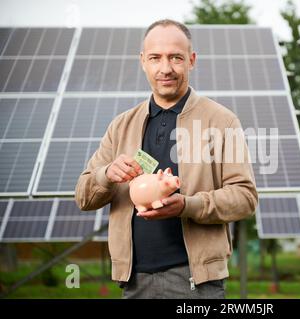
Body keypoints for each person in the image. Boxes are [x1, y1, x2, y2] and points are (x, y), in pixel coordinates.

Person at [75, 19, 258, 299]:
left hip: (197, 282)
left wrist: (187, 205)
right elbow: (84, 197)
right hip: (134, 281)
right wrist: (107, 174)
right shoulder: (121, 125)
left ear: (191, 60)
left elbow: (244, 198)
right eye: (155, 58)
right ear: (143, 62)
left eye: (176, 57)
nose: (166, 68)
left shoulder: (222, 121)